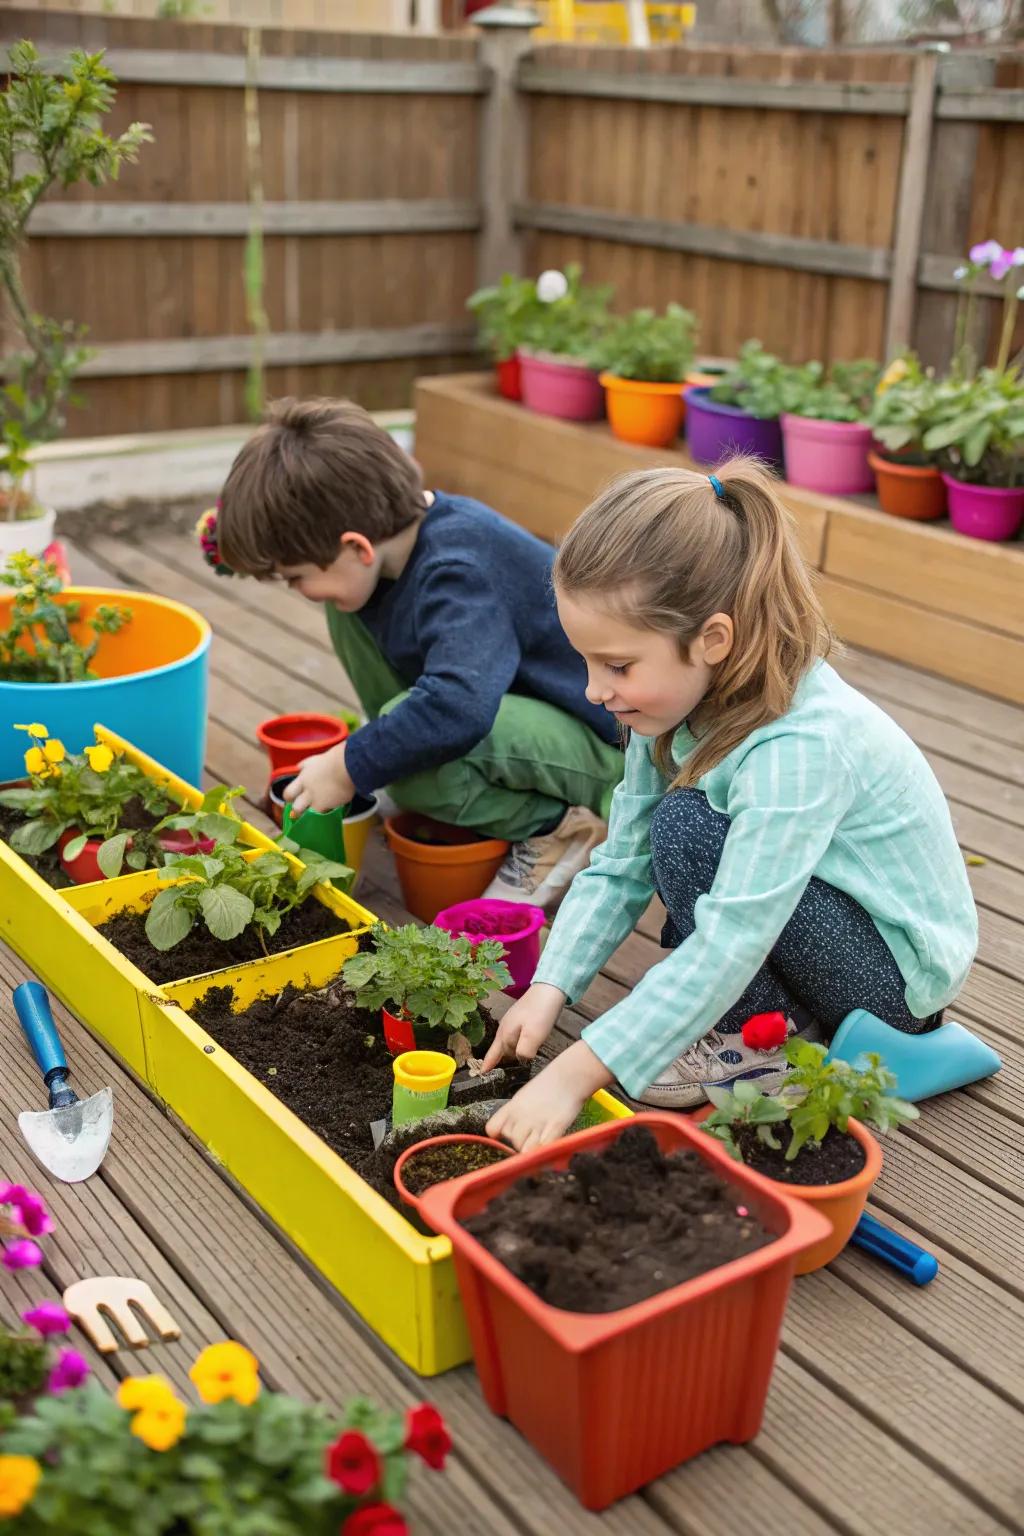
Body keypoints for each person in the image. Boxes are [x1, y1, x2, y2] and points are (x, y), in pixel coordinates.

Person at [483, 459, 978, 1149]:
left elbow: (731, 938)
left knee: (686, 828)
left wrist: (576, 1072)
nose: (595, 691)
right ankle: (762, 1018)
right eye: (588, 662)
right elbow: (620, 862)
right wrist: (551, 986)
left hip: (892, 981)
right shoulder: (671, 705)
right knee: (677, 828)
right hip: (816, 915)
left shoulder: (800, 745)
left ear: (713, 639)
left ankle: (760, 1043)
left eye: (618, 665)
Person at [211, 397, 624, 908]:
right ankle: (420, 761)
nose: (295, 589)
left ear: (358, 546)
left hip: (603, 749)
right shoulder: (393, 548)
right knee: (346, 607)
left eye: (294, 577)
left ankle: (560, 828)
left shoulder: (458, 570)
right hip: (514, 711)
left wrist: (348, 766)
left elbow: (459, 708)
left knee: (412, 768)